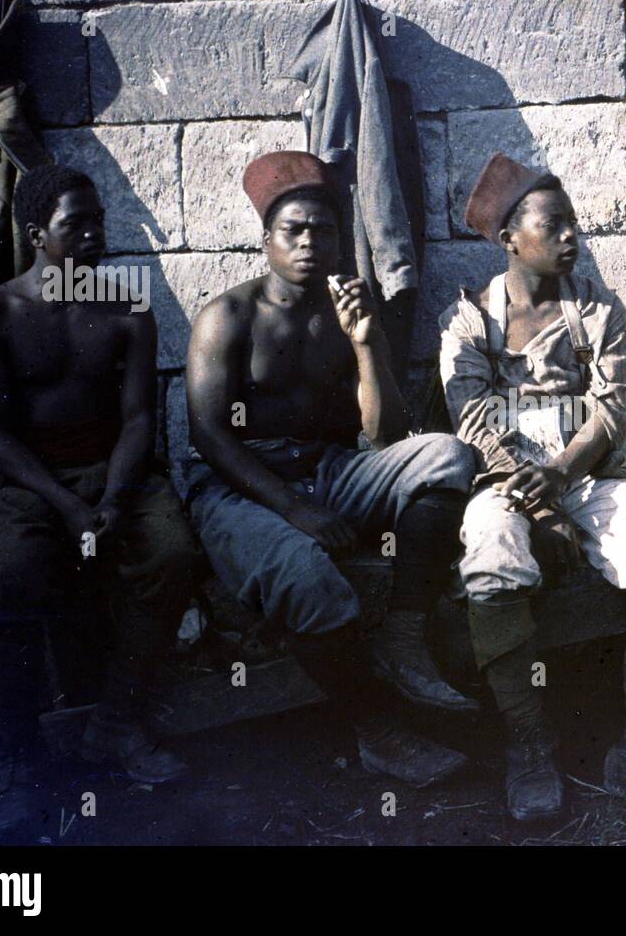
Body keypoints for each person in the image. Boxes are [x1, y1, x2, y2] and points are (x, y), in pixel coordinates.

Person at [439, 153, 626, 821]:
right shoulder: (471, 321)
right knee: (492, 553)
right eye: (553, 225)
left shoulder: (595, 308)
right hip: (504, 478)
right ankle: (530, 744)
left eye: (573, 225)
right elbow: (474, 420)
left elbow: (613, 407)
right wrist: (537, 504)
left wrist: (563, 476)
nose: (571, 237)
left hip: (587, 468)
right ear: (511, 238)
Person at [185, 151, 478, 790]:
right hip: (242, 487)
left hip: (331, 469)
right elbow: (207, 435)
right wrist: (293, 510)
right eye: (295, 230)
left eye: (325, 231)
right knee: (306, 575)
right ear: (267, 242)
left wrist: (368, 342)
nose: (311, 243)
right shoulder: (228, 317)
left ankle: (404, 633)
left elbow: (387, 435)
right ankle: (378, 733)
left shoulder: (344, 308)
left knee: (449, 456)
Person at [0, 163, 202, 834]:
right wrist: (66, 507)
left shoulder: (127, 309)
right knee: (10, 578)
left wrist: (113, 500)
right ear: (38, 233)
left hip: (117, 470)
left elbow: (137, 421)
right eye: (78, 224)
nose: (95, 234)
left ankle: (118, 724)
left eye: (99, 220)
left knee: (172, 553)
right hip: (30, 480)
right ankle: (16, 755)